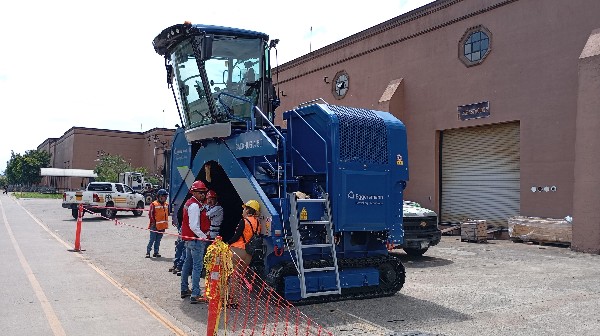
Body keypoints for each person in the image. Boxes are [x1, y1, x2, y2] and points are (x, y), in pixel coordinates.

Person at [180, 180, 210, 304]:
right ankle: (195, 293)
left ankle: (184, 289)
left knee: (187, 264)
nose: (202, 195)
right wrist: (204, 237)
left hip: (189, 239)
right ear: (194, 192)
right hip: (196, 240)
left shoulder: (191, 203)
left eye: (203, 192)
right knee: (197, 267)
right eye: (199, 192)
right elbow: (194, 226)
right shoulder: (194, 206)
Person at [227, 199, 261, 269]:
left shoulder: (244, 221)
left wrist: (227, 243)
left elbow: (236, 236)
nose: (243, 211)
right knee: (239, 277)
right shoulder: (258, 223)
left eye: (244, 209)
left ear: (247, 210)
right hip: (248, 254)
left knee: (230, 274)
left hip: (238, 250)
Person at [146, 189, 169, 258]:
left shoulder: (166, 205)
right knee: (152, 240)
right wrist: (154, 223)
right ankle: (148, 252)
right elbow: (151, 215)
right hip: (154, 226)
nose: (164, 198)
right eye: (163, 196)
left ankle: (156, 252)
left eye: (165, 196)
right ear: (159, 196)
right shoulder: (154, 204)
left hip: (162, 226)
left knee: (158, 240)